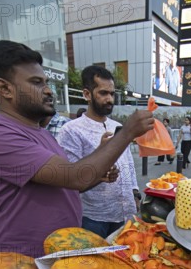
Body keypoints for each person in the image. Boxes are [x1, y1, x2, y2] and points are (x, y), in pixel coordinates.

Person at [0, 40, 154, 257]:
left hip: (58, 253)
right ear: (5, 89)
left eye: (46, 82)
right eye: (36, 83)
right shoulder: (0, 133)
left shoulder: (39, 132)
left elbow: (67, 185)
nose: (48, 91)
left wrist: (99, 176)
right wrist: (127, 133)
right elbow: (73, 177)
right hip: (24, 263)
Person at [58, 66, 143, 238]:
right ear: (87, 94)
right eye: (103, 93)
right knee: (94, 264)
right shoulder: (71, 130)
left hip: (123, 212)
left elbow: (128, 161)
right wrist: (100, 152)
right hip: (92, 218)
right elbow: (70, 178)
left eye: (112, 93)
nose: (109, 99)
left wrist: (135, 192)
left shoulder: (117, 127)